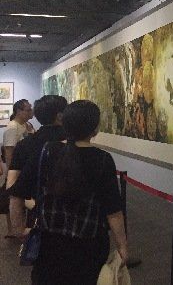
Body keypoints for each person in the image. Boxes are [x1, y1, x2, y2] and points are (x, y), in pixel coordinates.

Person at [10, 100, 127, 284]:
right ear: (95, 129)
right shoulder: (103, 160)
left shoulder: (46, 151)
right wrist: (122, 247)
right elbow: (113, 211)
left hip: (49, 247)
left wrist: (18, 229)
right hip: (89, 247)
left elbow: (17, 192)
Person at [7, 96, 67, 231]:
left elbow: (12, 186)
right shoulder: (70, 143)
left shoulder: (25, 144)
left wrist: (20, 230)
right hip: (70, 216)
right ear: (60, 116)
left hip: (36, 211)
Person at [2, 99, 33, 237]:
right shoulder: (12, 128)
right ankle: (13, 230)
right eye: (28, 109)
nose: (31, 112)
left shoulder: (27, 125)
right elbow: (9, 154)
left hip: (25, 169)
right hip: (17, 171)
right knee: (13, 199)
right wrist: (12, 174)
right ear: (19, 111)